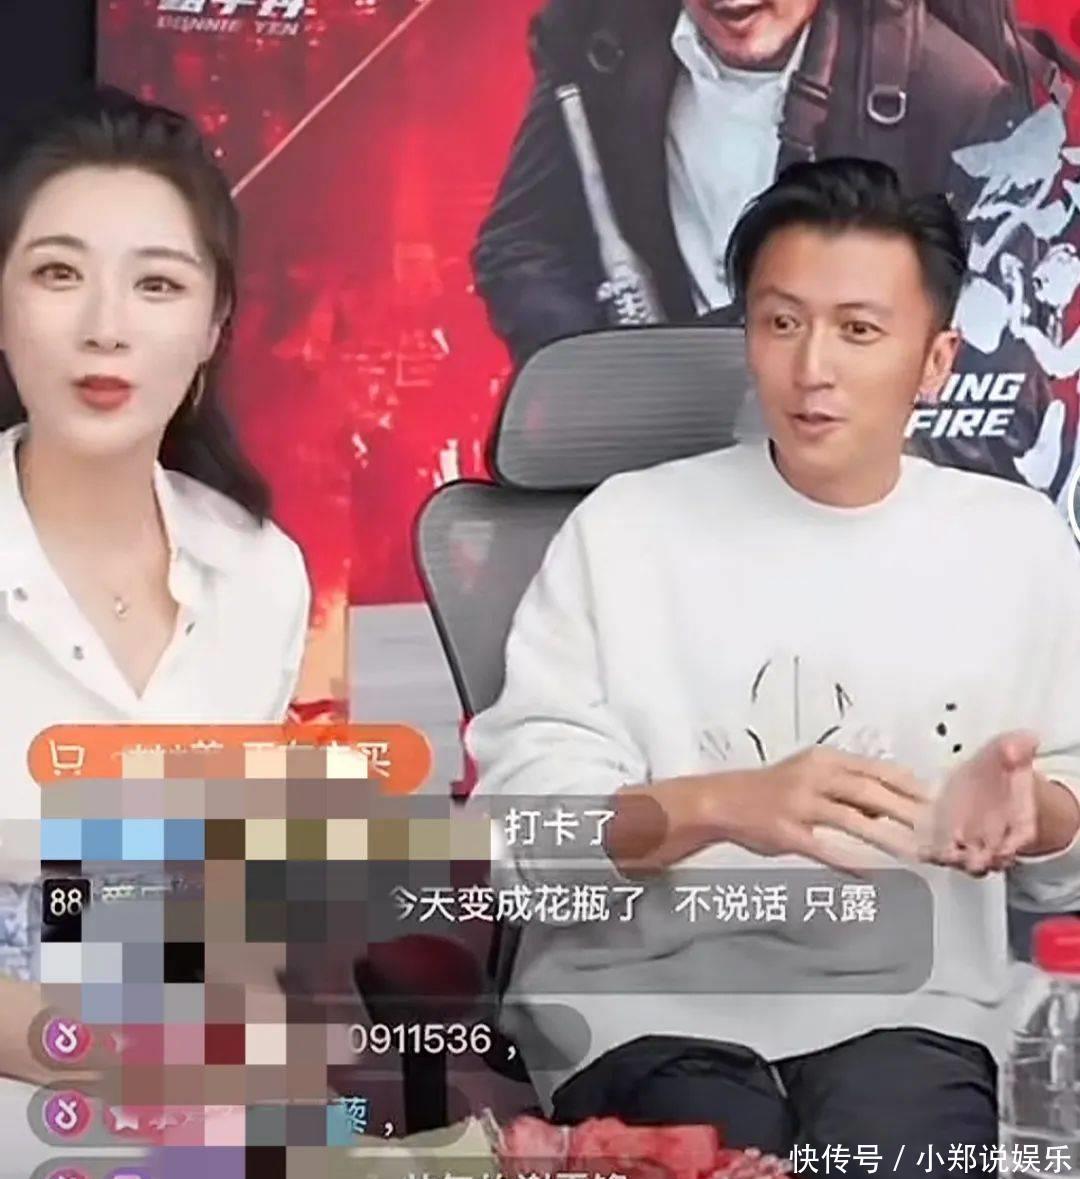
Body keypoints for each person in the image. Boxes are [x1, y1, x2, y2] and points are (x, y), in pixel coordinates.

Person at [466, 158, 1080, 1170]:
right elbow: (518, 840)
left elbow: (1064, 850)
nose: (812, 368)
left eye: (859, 330)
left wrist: (1035, 816)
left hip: (911, 1004)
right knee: (717, 1147)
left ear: (935, 360)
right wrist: (719, 807)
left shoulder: (1018, 546)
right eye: (781, 322)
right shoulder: (626, 530)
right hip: (638, 1007)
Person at [0, 87, 310, 1171]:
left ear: (214, 326)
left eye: (158, 284)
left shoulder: (261, 575)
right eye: (58, 273)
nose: (106, 326)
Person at [472, 0, 1030, 366]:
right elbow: (520, 245)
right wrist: (606, 376)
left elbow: (996, 349)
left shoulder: (950, 92)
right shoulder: (602, 46)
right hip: (667, 470)